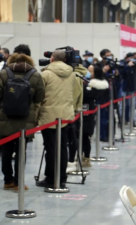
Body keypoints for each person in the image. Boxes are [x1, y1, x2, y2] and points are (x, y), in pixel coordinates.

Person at [0, 50, 45, 191]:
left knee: (7, 151)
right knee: (21, 152)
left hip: (6, 118)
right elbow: (40, 97)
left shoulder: (5, 73)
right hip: (25, 119)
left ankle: (7, 181)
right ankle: (19, 182)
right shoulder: (35, 75)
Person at [37, 50, 83, 188]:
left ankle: (51, 178)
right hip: (66, 115)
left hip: (49, 116)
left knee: (50, 148)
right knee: (63, 147)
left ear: (52, 58)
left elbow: (39, 96)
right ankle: (62, 177)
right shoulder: (72, 74)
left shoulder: (45, 74)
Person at [69, 65, 109, 168]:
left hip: (88, 115)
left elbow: (89, 95)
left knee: (84, 137)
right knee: (75, 136)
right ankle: (73, 158)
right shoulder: (88, 83)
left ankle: (85, 158)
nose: (88, 73)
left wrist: (80, 85)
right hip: (80, 113)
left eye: (90, 71)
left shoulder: (98, 85)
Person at [120, 52, 136, 125]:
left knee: (132, 106)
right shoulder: (123, 64)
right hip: (124, 87)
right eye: (131, 57)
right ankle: (122, 120)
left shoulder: (135, 65)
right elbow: (121, 74)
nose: (132, 59)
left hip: (132, 88)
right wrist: (127, 66)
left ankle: (133, 121)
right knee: (122, 106)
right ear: (127, 58)